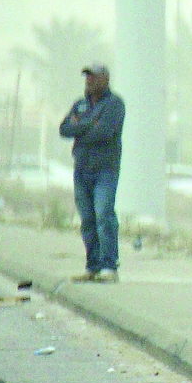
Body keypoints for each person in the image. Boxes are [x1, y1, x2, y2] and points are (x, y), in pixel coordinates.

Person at [59, 63, 126, 283]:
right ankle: (93, 266)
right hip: (82, 168)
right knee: (87, 219)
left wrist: (82, 127)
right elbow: (64, 129)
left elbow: (104, 132)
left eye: (93, 77)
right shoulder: (79, 104)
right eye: (87, 77)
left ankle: (109, 266)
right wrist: (89, 124)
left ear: (105, 79)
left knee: (103, 216)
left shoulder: (114, 104)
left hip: (105, 170)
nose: (89, 81)